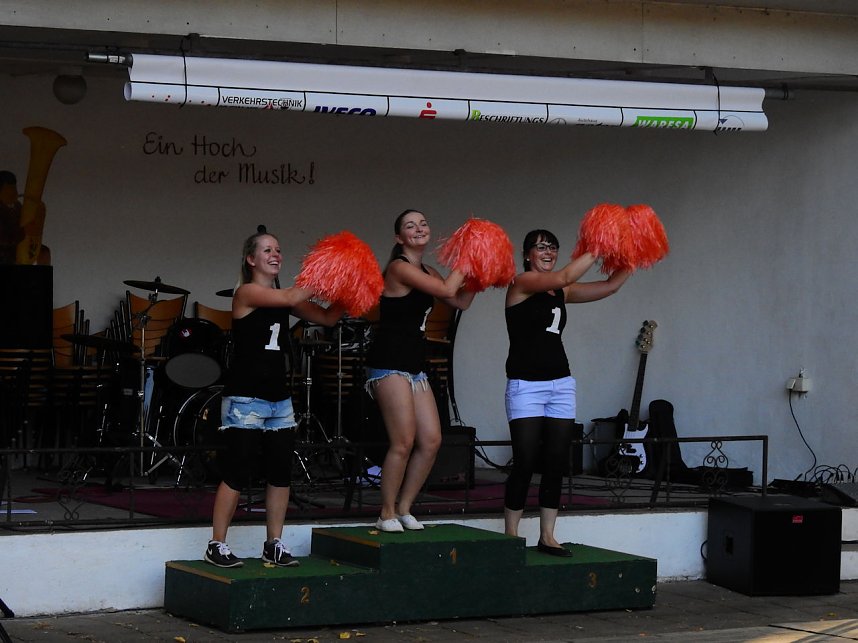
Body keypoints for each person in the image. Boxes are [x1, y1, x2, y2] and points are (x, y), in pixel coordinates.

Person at [205, 228, 344, 568]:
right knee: (237, 470)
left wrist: (350, 289)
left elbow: (327, 317)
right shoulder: (247, 292)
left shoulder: (287, 298)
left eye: (278, 250)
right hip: (245, 396)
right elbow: (291, 297)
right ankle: (216, 544)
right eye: (267, 250)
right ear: (251, 259)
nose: (275, 254)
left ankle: (274, 544)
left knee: (280, 471)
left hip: (278, 398)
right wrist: (328, 270)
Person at [504, 229, 630, 556]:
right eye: (540, 247)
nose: (548, 252)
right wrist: (598, 245)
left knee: (556, 460)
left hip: (560, 384)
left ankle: (547, 535)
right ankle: (510, 536)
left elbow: (610, 286)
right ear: (527, 254)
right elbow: (564, 275)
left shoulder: (562, 291)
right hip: (525, 386)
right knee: (525, 460)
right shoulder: (521, 283)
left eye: (553, 247)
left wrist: (633, 255)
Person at [365, 209, 476, 532]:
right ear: (399, 237)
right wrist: (470, 256)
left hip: (415, 365)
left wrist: (481, 275)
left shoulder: (429, 271)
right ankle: (385, 512)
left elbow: (460, 301)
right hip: (389, 363)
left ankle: (404, 507)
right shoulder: (399, 268)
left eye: (423, 223)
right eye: (410, 225)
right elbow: (446, 291)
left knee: (431, 440)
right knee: (403, 441)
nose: (419, 228)